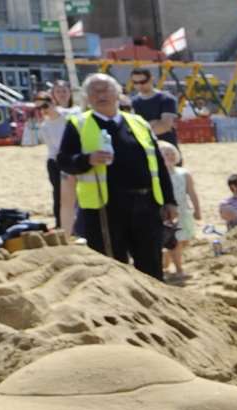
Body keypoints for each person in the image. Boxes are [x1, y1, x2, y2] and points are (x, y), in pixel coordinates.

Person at [56, 73, 176, 280]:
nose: (101, 94)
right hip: (105, 207)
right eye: (94, 91)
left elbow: (157, 164)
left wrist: (169, 200)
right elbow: (64, 160)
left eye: (105, 89)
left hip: (146, 204)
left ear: (118, 93)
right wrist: (87, 160)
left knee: (151, 265)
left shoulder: (138, 123)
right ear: (86, 97)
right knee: (113, 268)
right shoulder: (78, 124)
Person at [37, 80, 80, 227]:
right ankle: (60, 224)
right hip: (56, 161)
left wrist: (52, 109)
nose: (61, 94)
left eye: (64, 91)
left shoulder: (76, 112)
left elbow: (68, 115)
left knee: (78, 194)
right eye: (58, 91)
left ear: (70, 93)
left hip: (75, 158)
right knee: (59, 195)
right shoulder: (46, 123)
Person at [158, 142, 198, 280]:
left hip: (183, 212)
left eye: (172, 153)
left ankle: (166, 260)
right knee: (176, 242)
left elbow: (192, 192)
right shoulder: (158, 175)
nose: (169, 156)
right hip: (167, 214)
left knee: (185, 240)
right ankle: (179, 269)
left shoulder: (184, 173)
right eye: (166, 153)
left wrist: (197, 209)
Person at [129, 67, 181, 146]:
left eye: (143, 82)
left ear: (151, 79)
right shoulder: (132, 102)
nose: (139, 85)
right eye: (135, 82)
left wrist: (141, 129)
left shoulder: (166, 99)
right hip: (144, 148)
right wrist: (153, 124)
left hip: (166, 148)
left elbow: (165, 126)